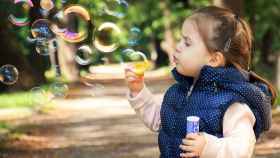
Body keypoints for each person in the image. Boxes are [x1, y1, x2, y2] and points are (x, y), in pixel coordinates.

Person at [124, 6, 277, 158]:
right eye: (180, 39)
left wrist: (208, 147)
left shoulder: (232, 102)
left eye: (187, 43)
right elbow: (161, 119)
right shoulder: (178, 91)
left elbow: (241, 149)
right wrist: (138, 91)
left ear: (214, 59)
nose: (177, 47)